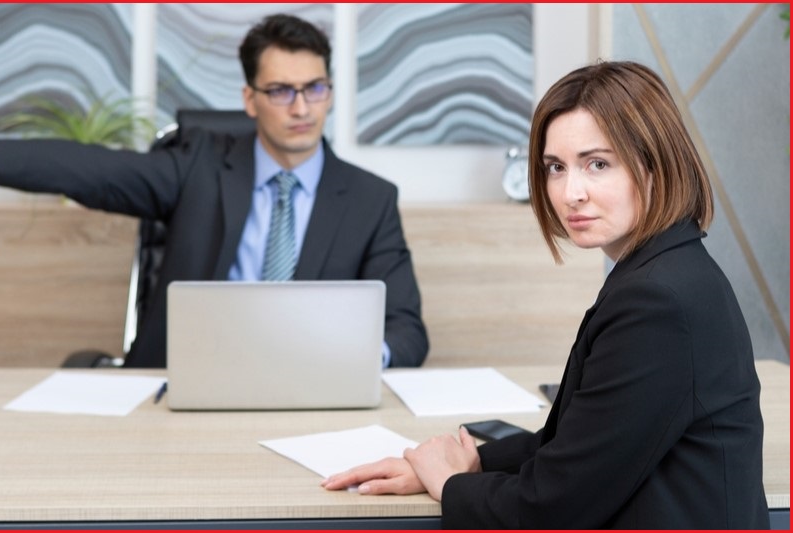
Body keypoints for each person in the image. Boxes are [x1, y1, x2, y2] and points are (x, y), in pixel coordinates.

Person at [322, 60, 769, 529]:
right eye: (556, 167)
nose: (570, 192)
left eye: (598, 164)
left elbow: (552, 506)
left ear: (655, 166)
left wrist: (452, 485)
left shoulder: (658, 301)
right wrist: (471, 463)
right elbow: (576, 444)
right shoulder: (669, 269)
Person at [0, 14, 429, 369]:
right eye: (281, 90)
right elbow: (88, 168)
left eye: (314, 88)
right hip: (177, 384)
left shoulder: (369, 198)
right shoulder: (198, 165)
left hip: (308, 397)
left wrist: (353, 360)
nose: (301, 107)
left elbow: (408, 332)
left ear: (329, 90)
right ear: (250, 98)